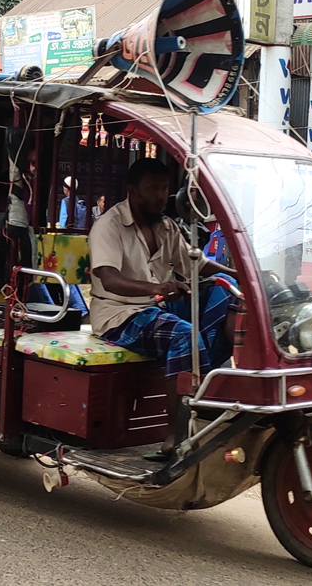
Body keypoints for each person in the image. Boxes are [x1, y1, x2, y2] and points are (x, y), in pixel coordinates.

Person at [89, 158, 238, 459]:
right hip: (120, 315)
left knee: (229, 298)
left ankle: (210, 395)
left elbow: (198, 265)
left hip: (157, 311)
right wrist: (155, 288)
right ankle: (176, 433)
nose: (161, 195)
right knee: (184, 336)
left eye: (165, 188)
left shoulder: (167, 226)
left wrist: (245, 275)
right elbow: (109, 277)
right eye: (153, 188)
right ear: (132, 190)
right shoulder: (109, 225)